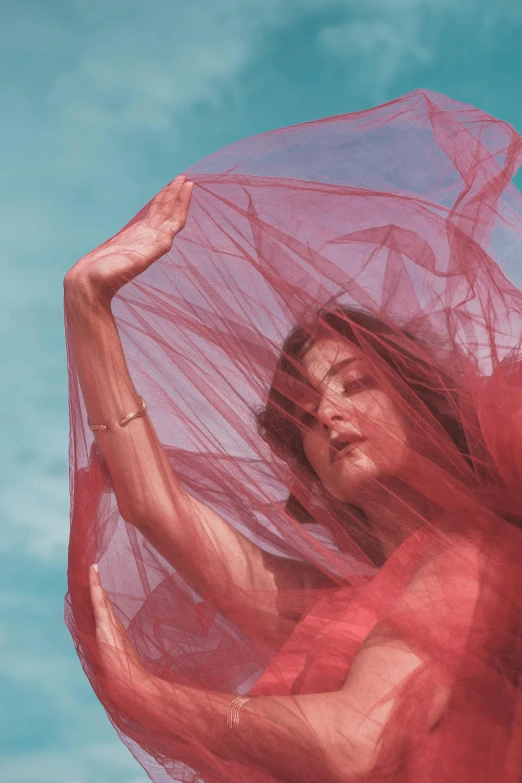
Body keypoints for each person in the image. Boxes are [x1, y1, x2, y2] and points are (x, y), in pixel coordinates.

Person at [64, 91, 522, 782]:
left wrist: (149, 695)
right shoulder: (337, 605)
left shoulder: (475, 550)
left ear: (422, 405)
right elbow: (160, 512)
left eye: (356, 384)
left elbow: (355, 742)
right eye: (303, 413)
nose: (328, 415)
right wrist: (88, 305)